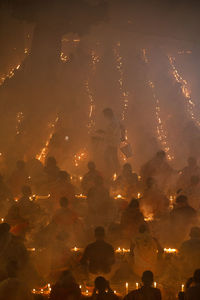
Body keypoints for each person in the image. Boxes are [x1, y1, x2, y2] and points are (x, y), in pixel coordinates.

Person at [102, 108, 122, 177]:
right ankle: (115, 171)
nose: (104, 117)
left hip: (113, 143)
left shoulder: (114, 121)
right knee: (111, 157)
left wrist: (103, 134)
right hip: (112, 142)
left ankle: (115, 171)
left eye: (105, 115)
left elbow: (112, 133)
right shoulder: (112, 121)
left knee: (109, 156)